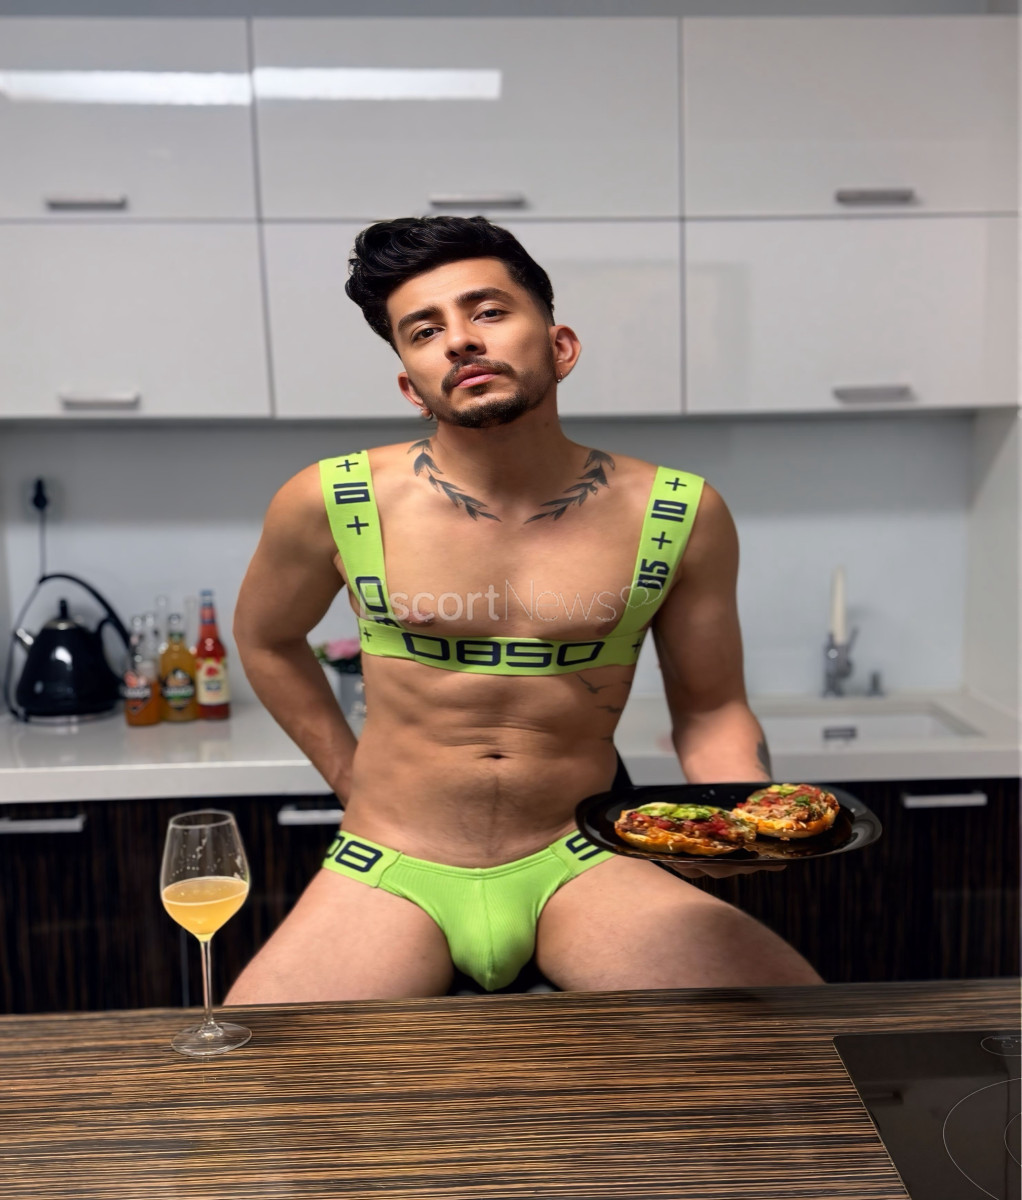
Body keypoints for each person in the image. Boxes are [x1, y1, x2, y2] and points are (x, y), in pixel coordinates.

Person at [225, 216, 822, 1003]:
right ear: (410, 386)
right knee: (256, 1068)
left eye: (489, 311)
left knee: (802, 1032)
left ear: (560, 346)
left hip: (579, 856)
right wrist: (348, 774)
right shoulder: (331, 498)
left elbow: (712, 708)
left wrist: (741, 816)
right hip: (391, 862)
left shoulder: (679, 511)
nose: (459, 340)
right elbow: (265, 638)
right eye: (424, 330)